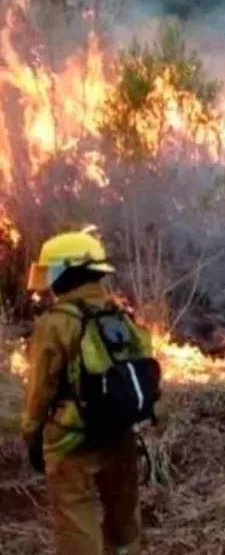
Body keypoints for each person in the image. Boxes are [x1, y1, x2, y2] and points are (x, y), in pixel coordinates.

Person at [21, 228, 159, 555]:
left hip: (71, 441)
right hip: (120, 433)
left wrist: (32, 436)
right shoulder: (119, 316)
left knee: (76, 522)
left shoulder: (54, 323)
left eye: (52, 271)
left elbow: (41, 389)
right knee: (124, 522)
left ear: (68, 273)